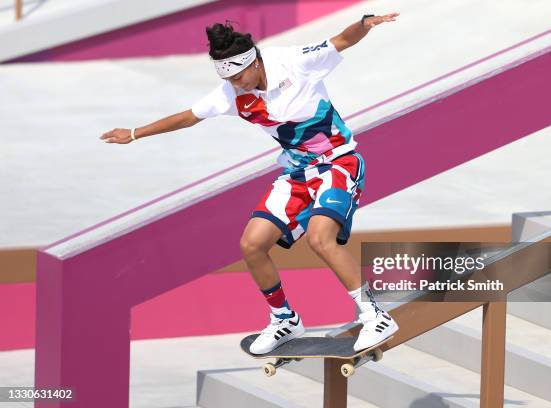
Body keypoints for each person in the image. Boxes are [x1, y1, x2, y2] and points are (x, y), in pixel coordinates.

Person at [100, 12, 400, 354]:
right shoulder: (231, 93)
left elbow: (341, 40)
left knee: (320, 238)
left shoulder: (294, 62)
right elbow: (187, 117)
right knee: (252, 243)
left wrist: (363, 24)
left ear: (256, 62)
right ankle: (284, 318)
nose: (239, 86)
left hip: (338, 163)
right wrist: (136, 133)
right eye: (233, 81)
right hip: (298, 173)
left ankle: (375, 315)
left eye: (243, 77)